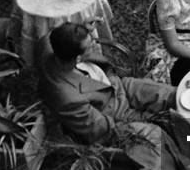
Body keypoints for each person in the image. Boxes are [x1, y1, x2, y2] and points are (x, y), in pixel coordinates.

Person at [39, 21, 174, 145]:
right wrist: (148, 119)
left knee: (171, 94)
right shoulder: (68, 99)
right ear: (79, 58)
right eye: (90, 46)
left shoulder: (52, 44)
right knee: (169, 123)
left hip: (116, 85)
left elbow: (53, 34)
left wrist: (84, 29)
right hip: (115, 115)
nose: (95, 44)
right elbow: (103, 131)